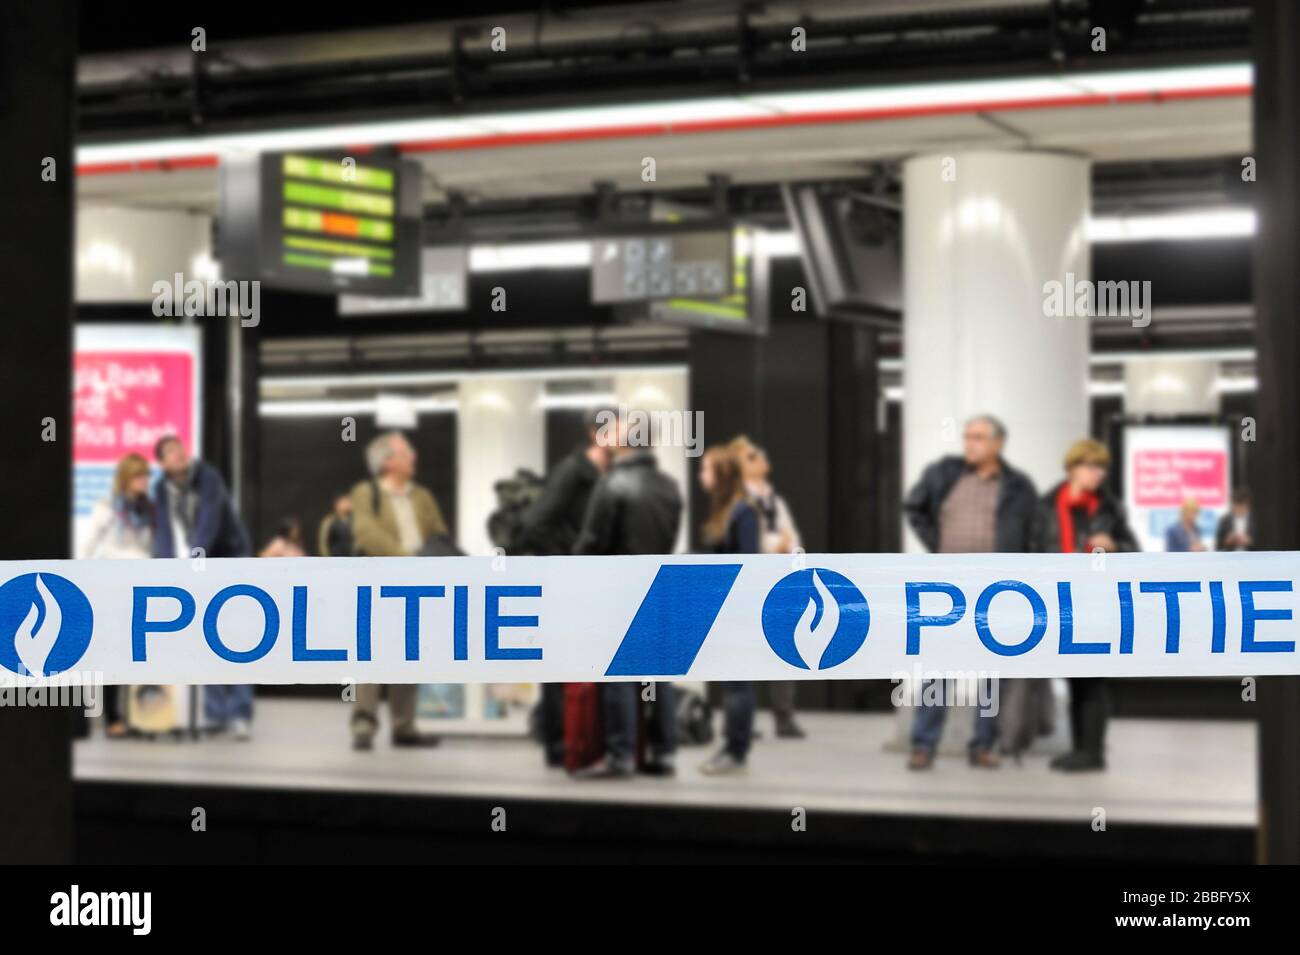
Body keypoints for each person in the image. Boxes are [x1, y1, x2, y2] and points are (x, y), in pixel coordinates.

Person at [901, 414, 1038, 770]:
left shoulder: (1018, 486)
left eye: (978, 437)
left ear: (998, 444)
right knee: (938, 668)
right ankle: (923, 744)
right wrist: (937, 543)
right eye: (966, 437)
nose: (969, 444)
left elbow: (1033, 535)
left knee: (991, 671)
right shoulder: (946, 473)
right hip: (950, 586)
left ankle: (982, 745)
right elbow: (913, 507)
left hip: (998, 588)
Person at [571, 415, 682, 779]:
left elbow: (592, 542)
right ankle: (663, 753)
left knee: (618, 674)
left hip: (619, 587)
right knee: (657, 675)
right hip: (660, 584)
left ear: (627, 442)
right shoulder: (670, 487)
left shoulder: (613, 483)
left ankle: (621, 756)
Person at [1035, 439, 1139, 772]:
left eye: (1101, 468)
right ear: (1072, 468)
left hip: (1096, 599)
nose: (1097, 474)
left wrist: (1116, 547)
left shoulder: (1110, 509)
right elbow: (1032, 550)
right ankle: (1080, 748)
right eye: (1091, 466)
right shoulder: (1047, 506)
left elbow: (1133, 551)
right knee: (1074, 678)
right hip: (1060, 599)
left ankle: (1093, 753)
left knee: (1092, 678)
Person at [516, 408, 611, 767]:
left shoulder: (607, 476)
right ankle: (557, 744)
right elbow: (535, 525)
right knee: (559, 667)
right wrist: (571, 560)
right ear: (594, 433)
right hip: (563, 581)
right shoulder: (572, 472)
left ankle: (580, 740)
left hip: (591, 585)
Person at [348, 432, 449, 752]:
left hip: (417, 583)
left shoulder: (422, 497)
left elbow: (439, 534)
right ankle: (364, 723)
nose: (414, 456)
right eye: (407, 452)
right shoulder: (366, 492)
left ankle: (404, 726)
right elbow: (366, 533)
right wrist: (408, 561)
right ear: (388, 461)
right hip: (379, 579)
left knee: (409, 653)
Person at [151, 435, 255, 741]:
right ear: (162, 463)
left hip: (230, 556)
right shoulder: (161, 489)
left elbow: (208, 523)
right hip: (201, 562)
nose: (179, 454)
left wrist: (193, 561)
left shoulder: (208, 478)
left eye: (179, 448)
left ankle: (239, 712)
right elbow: (164, 532)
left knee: (235, 639)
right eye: (170, 452)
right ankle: (216, 712)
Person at [731, 435, 805, 739]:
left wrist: (790, 549)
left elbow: (793, 536)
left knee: (785, 647)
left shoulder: (775, 499)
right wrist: (777, 544)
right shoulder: (738, 500)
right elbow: (750, 541)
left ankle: (784, 716)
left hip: (780, 580)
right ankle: (742, 720)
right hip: (751, 582)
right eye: (750, 456)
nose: (759, 459)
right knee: (746, 653)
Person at [79, 452, 155, 738]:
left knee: (133, 653)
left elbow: (153, 548)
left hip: (141, 585)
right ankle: (111, 716)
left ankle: (135, 715)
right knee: (112, 651)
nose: (145, 480)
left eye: (146, 475)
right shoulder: (108, 507)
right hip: (112, 583)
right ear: (126, 478)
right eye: (139, 475)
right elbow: (88, 543)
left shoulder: (150, 510)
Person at [698, 445, 761, 775]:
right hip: (722, 609)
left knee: (738, 685)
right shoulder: (725, 512)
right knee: (731, 684)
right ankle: (731, 745)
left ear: (720, 476)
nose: (701, 477)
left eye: (706, 470)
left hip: (737, 612)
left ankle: (736, 750)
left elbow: (746, 566)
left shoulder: (742, 513)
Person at [1215, 487, 1253, 551]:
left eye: (1242, 507)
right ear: (1233, 505)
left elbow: (1259, 541)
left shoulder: (1251, 520)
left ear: (1247, 505)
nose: (1240, 510)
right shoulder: (1225, 520)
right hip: (1230, 557)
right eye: (1237, 507)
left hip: (1249, 556)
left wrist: (1248, 541)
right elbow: (1218, 545)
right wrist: (1228, 540)